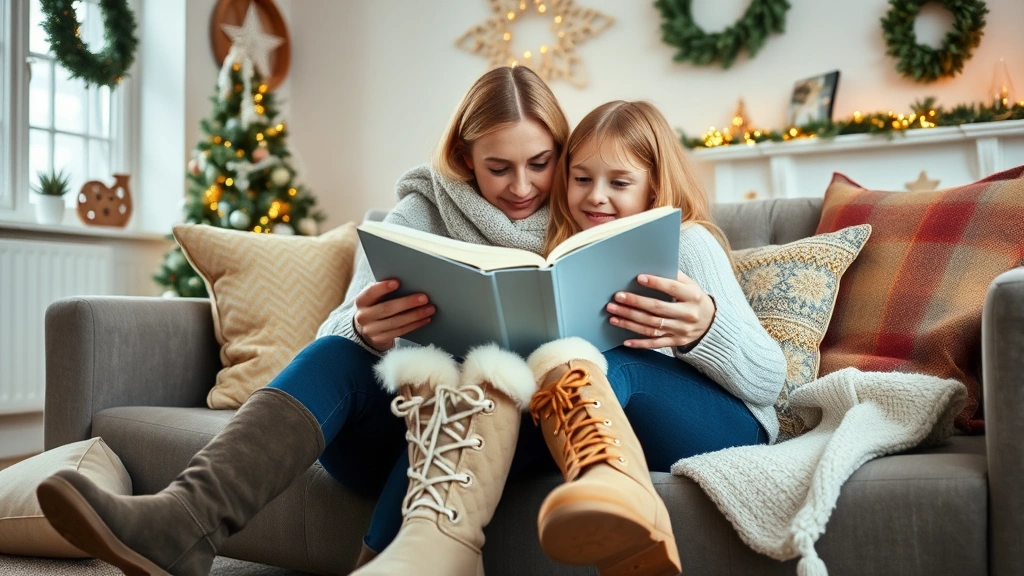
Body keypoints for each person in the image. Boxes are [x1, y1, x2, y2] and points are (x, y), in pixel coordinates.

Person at [35, 65, 569, 576]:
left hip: (495, 436)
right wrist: (363, 329)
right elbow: (338, 327)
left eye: (540, 164)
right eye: (499, 167)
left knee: (484, 392)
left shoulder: (581, 212)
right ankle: (180, 523)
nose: (521, 187)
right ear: (465, 156)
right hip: (388, 426)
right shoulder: (417, 213)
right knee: (336, 354)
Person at [512, 100, 788, 575]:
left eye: (619, 182)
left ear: (653, 186)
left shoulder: (688, 243)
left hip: (727, 425)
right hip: (613, 424)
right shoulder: (559, 254)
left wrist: (705, 328)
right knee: (504, 404)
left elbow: (771, 382)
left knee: (611, 363)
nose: (596, 196)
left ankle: (621, 507)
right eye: (581, 179)